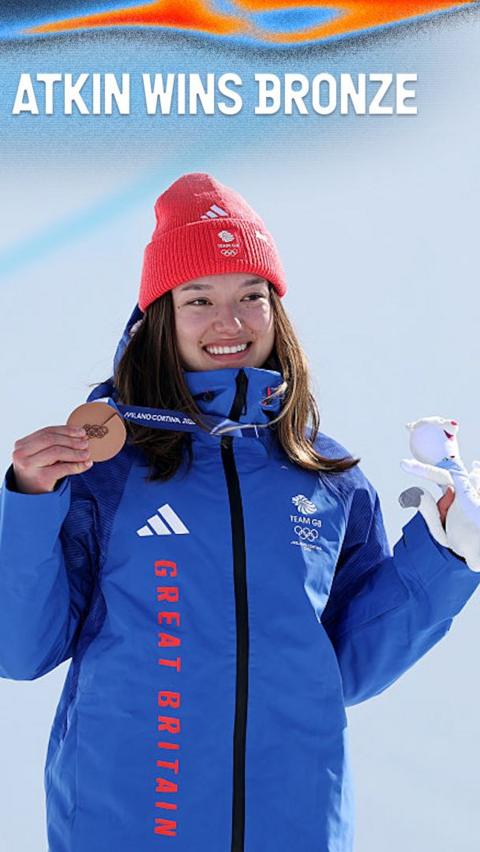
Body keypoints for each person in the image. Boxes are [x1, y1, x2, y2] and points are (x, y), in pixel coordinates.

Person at [0, 172, 479, 852]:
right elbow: (19, 651)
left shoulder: (327, 477)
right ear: (159, 317)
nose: (229, 323)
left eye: (251, 296)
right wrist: (29, 501)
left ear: (274, 311)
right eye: (199, 299)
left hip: (296, 827)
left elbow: (344, 665)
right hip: (128, 826)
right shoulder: (105, 469)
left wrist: (449, 552)